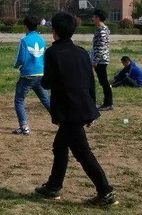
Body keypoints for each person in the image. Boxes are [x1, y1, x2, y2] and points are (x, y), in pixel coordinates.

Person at [35, 12, 118, 207]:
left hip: (68, 111)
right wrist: (91, 110)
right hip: (81, 108)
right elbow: (90, 83)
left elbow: (47, 83)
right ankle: (53, 186)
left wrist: (44, 80)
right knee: (60, 146)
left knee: (82, 151)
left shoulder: (53, 53)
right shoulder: (82, 52)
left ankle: (105, 191)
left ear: (54, 31)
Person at [12, 16, 50, 135]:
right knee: (46, 100)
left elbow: (21, 58)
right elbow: (44, 55)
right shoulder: (41, 39)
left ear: (25, 26)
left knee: (19, 100)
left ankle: (24, 126)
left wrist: (16, 65)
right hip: (40, 73)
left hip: (27, 75)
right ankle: (61, 121)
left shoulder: (24, 40)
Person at [91, 9, 113, 111]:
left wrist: (95, 61)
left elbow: (101, 47)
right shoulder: (101, 29)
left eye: (94, 17)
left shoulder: (102, 31)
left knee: (104, 82)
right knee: (103, 81)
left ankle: (108, 103)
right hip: (100, 59)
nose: (92, 19)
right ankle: (107, 102)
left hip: (101, 60)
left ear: (98, 18)